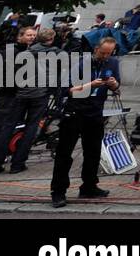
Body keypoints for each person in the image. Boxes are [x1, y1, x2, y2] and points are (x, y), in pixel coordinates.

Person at [50, 37, 120, 208]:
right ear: (96, 49)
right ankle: (58, 191)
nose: (105, 56)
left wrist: (113, 84)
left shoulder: (113, 63)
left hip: (95, 112)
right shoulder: (81, 64)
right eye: (103, 53)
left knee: (93, 152)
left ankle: (89, 186)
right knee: (64, 153)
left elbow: (117, 87)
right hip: (75, 111)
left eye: (109, 53)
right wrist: (89, 85)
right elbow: (67, 91)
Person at [0, 27, 54, 176]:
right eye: (28, 35)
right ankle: (14, 164)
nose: (31, 37)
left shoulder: (27, 51)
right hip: (17, 94)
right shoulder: (19, 52)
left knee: (10, 127)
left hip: (19, 94)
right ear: (20, 36)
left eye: (33, 35)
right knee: (22, 127)